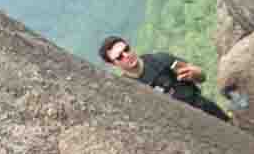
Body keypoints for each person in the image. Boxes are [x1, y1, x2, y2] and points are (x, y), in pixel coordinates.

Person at [98, 36, 229, 123]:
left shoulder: (160, 59)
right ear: (113, 64)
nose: (126, 55)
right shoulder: (128, 88)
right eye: (119, 57)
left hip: (206, 109)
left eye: (126, 49)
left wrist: (195, 74)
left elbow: (202, 77)